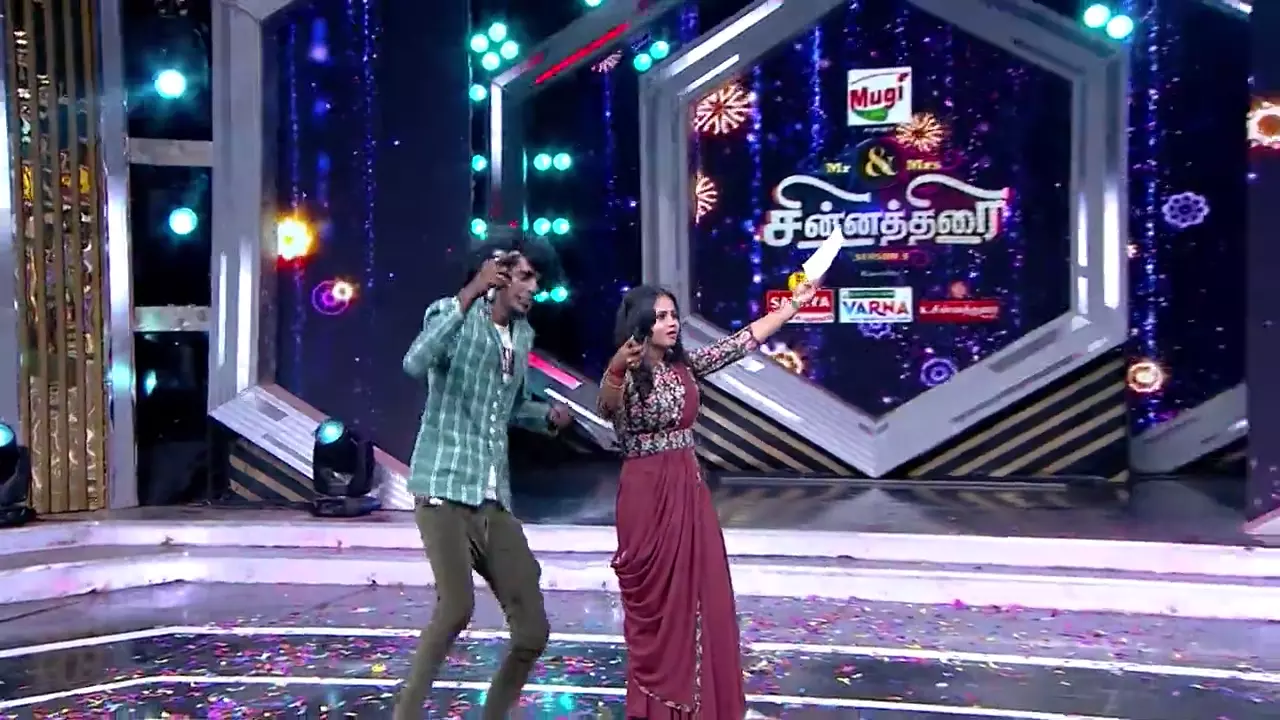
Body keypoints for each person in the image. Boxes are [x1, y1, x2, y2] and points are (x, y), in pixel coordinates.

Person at [597, 280, 821, 719]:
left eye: (673, 315)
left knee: (702, 595)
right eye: (661, 317)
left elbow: (742, 341)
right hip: (647, 494)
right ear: (640, 323)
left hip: (688, 487)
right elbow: (606, 407)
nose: (672, 323)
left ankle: (704, 708)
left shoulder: (685, 366)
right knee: (658, 606)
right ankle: (659, 707)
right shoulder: (626, 371)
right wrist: (618, 367)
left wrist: (792, 305)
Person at [395, 240, 574, 720]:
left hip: (493, 496)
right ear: (498, 275)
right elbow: (414, 362)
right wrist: (470, 292)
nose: (533, 288)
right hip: (444, 487)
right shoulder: (450, 314)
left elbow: (510, 408)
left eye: (537, 280)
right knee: (456, 608)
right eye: (526, 277)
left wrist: (546, 417)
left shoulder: (522, 336)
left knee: (532, 630)